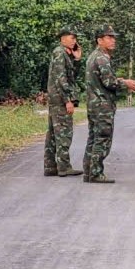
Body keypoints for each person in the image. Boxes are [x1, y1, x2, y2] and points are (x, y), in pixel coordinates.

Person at [83, 26, 135, 184]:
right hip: (102, 105)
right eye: (109, 37)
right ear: (99, 40)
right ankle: (95, 173)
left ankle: (89, 171)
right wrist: (125, 82)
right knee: (102, 138)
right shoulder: (102, 58)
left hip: (94, 104)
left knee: (93, 138)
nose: (113, 40)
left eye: (113, 37)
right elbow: (109, 82)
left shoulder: (92, 56)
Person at [44, 26, 83, 177]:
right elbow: (61, 78)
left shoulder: (64, 54)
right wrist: (68, 100)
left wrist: (76, 59)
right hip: (60, 99)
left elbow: (71, 75)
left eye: (75, 38)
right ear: (63, 38)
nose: (75, 41)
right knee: (64, 132)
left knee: (53, 133)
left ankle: (50, 166)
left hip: (56, 97)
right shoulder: (59, 53)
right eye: (72, 38)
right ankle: (64, 166)